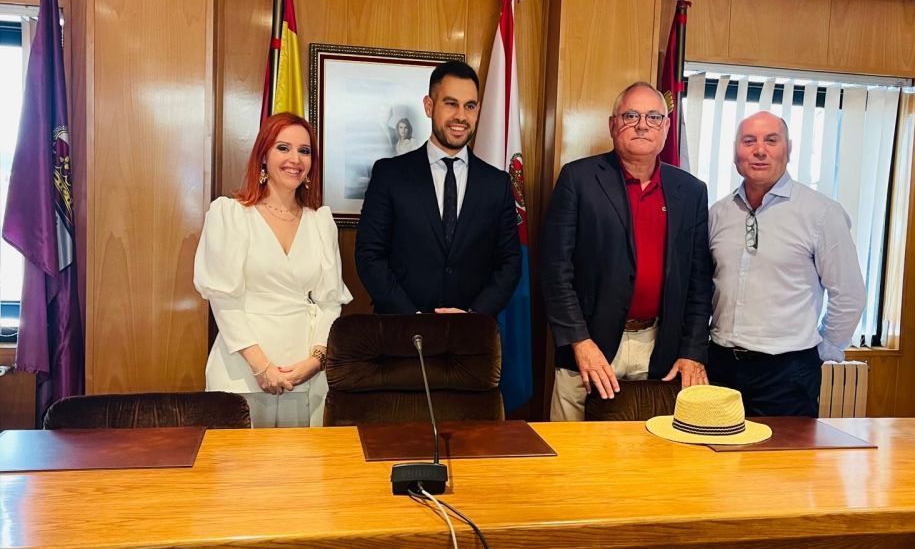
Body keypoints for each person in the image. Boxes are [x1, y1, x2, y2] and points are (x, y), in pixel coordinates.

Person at [541, 82, 713, 421]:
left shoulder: (691, 191)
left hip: (660, 346)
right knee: (571, 461)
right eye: (631, 115)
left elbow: (699, 280)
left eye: (653, 116)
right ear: (612, 124)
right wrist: (579, 341)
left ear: (666, 127)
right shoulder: (578, 179)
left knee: (648, 459)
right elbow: (554, 270)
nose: (642, 124)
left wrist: (693, 351)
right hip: (588, 348)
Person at [194, 112, 352, 427]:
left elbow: (329, 301)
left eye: (304, 151)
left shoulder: (320, 223)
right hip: (240, 374)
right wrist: (261, 367)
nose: (295, 159)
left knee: (302, 472)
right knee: (239, 474)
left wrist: (316, 360)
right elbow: (223, 300)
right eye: (284, 148)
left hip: (305, 378)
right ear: (263, 156)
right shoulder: (231, 215)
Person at [708, 111, 865, 417]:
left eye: (771, 140)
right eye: (749, 140)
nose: (759, 150)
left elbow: (849, 294)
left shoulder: (821, 213)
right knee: (716, 461)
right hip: (720, 368)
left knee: (780, 462)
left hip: (787, 373)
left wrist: (824, 351)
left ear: (788, 150)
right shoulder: (718, 213)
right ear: (735, 152)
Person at [355, 60, 521, 316]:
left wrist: (472, 318)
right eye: (451, 103)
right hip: (402, 334)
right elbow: (369, 256)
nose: (461, 116)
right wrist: (415, 319)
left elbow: (510, 263)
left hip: (470, 338)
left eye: (470, 106)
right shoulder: (390, 175)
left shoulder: (497, 184)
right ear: (429, 106)